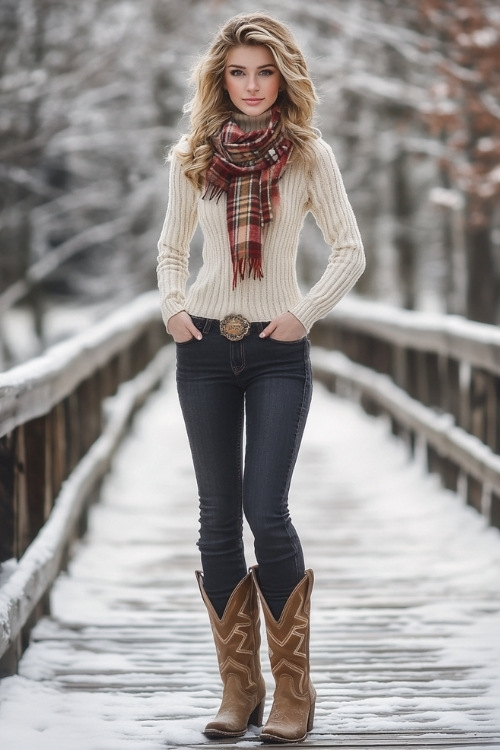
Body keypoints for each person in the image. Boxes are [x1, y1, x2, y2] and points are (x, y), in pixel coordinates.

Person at [157, 12, 365, 744]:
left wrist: (304, 313)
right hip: (206, 350)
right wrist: (174, 309)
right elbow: (171, 251)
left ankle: (294, 695)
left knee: (265, 511)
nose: (251, 85)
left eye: (265, 71)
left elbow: (348, 250)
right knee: (217, 519)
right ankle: (239, 691)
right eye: (239, 72)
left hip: (278, 349)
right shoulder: (191, 155)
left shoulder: (309, 155)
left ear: (284, 77)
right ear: (221, 78)